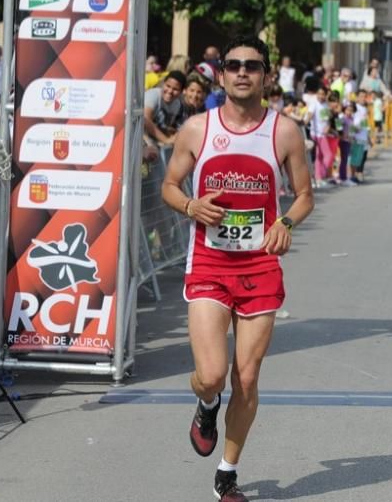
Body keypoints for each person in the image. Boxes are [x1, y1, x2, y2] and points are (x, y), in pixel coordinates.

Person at [161, 35, 313, 502]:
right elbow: (169, 184)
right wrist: (190, 206)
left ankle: (227, 473)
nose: (242, 72)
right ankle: (207, 404)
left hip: (260, 267)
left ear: (267, 75)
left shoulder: (284, 131)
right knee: (212, 374)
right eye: (233, 65)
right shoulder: (196, 129)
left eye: (252, 65)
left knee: (246, 377)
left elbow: (304, 194)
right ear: (221, 74)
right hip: (209, 261)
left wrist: (286, 221)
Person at [143, 70, 186, 146]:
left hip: (156, 142)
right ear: (163, 83)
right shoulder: (153, 95)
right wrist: (166, 140)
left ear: (181, 91)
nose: (170, 91)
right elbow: (145, 120)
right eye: (168, 86)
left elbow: (164, 126)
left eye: (175, 89)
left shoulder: (177, 105)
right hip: (141, 139)